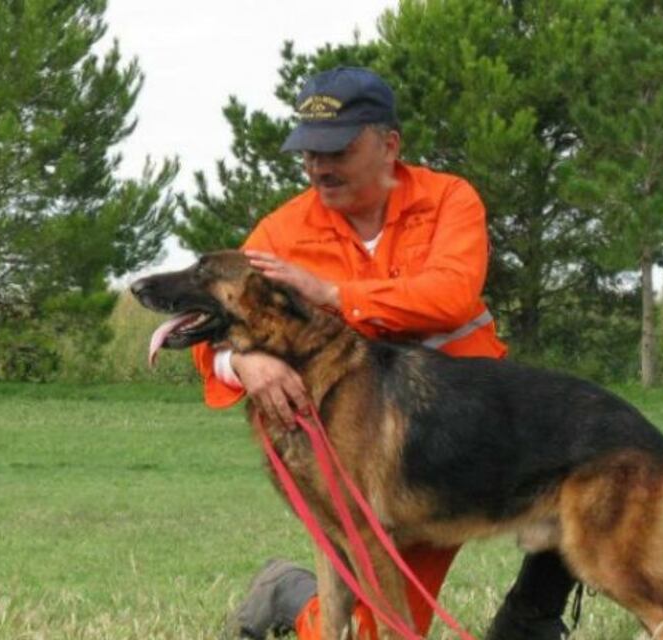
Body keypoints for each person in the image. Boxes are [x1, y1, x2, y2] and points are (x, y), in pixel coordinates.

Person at [194, 67, 576, 640]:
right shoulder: (279, 233)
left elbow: (452, 296)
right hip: (361, 458)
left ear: (389, 145)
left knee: (588, 461)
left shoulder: (450, 200)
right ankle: (288, 592)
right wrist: (242, 363)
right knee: (377, 630)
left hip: (457, 437)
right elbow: (215, 335)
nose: (320, 167)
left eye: (337, 150)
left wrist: (334, 295)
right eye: (308, 153)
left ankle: (530, 620)